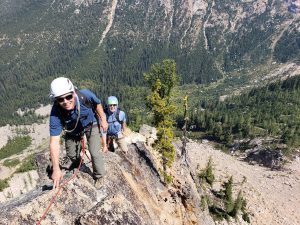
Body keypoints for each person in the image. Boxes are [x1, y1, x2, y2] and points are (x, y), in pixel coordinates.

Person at [49, 77, 108, 189]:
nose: (65, 101)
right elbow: (54, 142)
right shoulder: (55, 113)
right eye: (60, 99)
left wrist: (103, 119)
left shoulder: (84, 95)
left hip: (91, 124)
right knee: (71, 155)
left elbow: (97, 103)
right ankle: (78, 165)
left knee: (94, 152)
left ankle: (100, 176)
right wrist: (56, 169)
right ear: (56, 100)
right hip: (72, 130)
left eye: (68, 96)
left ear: (73, 92)